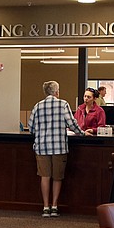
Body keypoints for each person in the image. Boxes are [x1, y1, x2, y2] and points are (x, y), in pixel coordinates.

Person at [28, 80, 82, 218]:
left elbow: (31, 128)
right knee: (57, 177)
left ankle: (45, 207)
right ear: (57, 92)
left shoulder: (37, 106)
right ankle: (54, 206)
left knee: (45, 177)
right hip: (59, 147)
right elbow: (72, 124)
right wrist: (82, 132)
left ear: (45, 92)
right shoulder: (63, 104)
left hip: (41, 147)